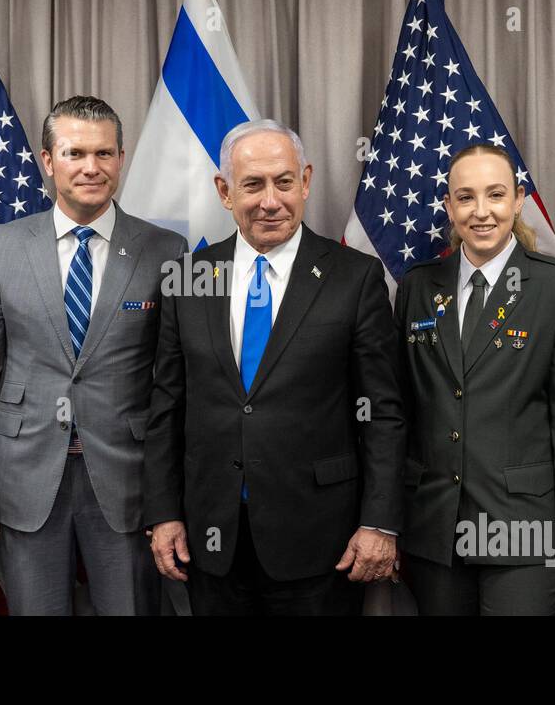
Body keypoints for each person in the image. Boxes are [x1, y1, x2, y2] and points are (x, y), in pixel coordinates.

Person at [144, 119, 405, 615]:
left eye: (284, 182)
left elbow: (384, 414)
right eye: (252, 184)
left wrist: (379, 523)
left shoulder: (355, 278)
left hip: (321, 538)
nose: (270, 200)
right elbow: (166, 407)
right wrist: (162, 513)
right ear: (224, 191)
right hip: (210, 537)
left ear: (305, 182)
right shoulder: (188, 278)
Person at [0, 96, 186, 615]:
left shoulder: (166, 250)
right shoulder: (2, 245)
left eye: (104, 154)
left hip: (127, 478)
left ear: (121, 159)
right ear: (48, 159)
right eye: (75, 152)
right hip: (23, 477)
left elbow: (178, 378)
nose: (90, 167)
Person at [395, 144, 555, 615]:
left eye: (496, 195)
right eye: (465, 198)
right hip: (435, 529)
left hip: (525, 531)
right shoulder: (418, 287)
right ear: (448, 206)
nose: (481, 212)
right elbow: (402, 410)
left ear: (518, 199)